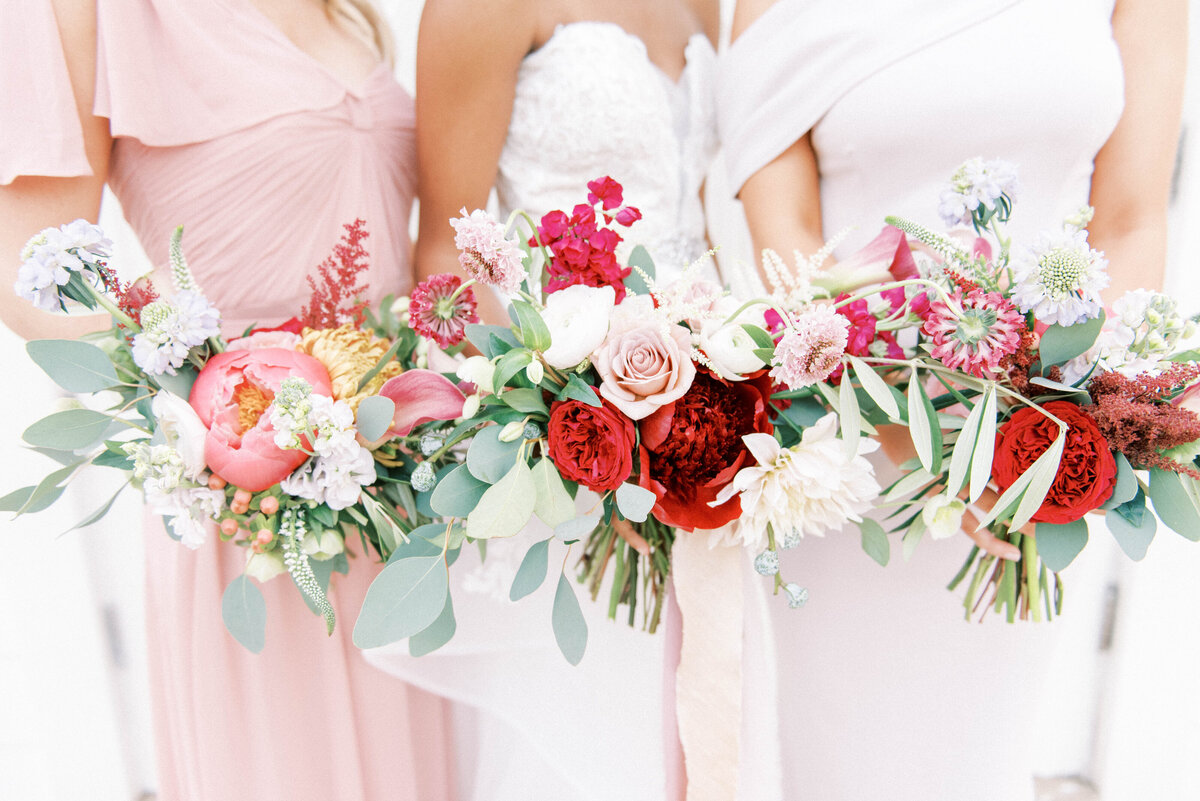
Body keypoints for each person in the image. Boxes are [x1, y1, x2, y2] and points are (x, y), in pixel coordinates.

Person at [718, 0, 1185, 799]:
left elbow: (1134, 216)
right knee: (838, 760)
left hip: (1034, 458)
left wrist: (1076, 420)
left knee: (981, 756)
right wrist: (919, 438)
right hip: (848, 453)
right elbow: (782, 233)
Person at [0, 2, 455, 799]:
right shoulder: (91, 13)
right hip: (251, 510)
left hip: (398, 496)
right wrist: (209, 397)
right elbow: (25, 266)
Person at [362, 2, 781, 800]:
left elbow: (692, 213)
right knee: (586, 732)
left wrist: (726, 397)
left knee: (698, 708)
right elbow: (449, 242)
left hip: (697, 434)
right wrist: (568, 430)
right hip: (563, 448)